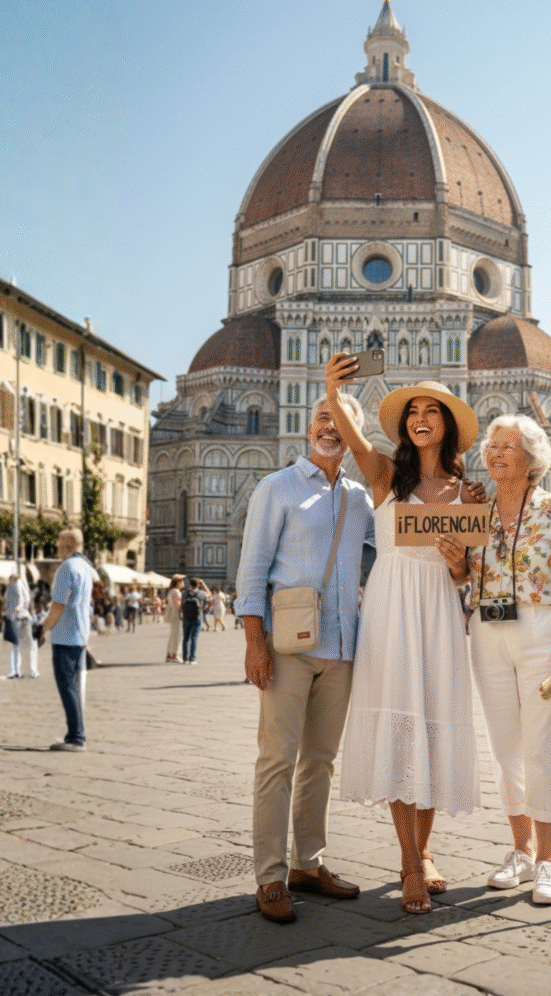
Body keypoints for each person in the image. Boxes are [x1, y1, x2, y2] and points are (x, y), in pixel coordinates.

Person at [326, 356, 485, 916]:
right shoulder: (386, 477)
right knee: (399, 726)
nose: (420, 418)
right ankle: (413, 865)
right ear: (404, 426)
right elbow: (350, 437)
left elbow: (469, 574)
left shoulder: (468, 491)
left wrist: (460, 566)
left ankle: (422, 850)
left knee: (435, 730)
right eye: (412, 411)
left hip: (440, 610)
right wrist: (332, 391)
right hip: (392, 609)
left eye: (430, 411)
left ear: (446, 424)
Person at [441, 414, 551, 906]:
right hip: (487, 630)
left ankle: (548, 862)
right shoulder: (476, 510)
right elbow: (464, 577)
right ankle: (521, 851)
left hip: (542, 628)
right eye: (492, 445)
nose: (496, 453)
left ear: (532, 458)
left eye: (507, 446)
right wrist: (455, 559)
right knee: (505, 747)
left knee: (545, 746)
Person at [236, 391, 374, 925]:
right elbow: (253, 568)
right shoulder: (278, 488)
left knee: (320, 761)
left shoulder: (360, 499)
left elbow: (384, 553)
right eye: (323, 417)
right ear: (306, 428)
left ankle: (307, 864)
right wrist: (254, 642)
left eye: (341, 420)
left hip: (340, 647)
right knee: (277, 760)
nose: (331, 427)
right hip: (288, 645)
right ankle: (270, 876)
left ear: (355, 435)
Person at [38, 528, 97, 752]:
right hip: (80, 633)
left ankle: (76, 737)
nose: (58, 549)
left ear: (66, 546)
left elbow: (59, 605)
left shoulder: (66, 569)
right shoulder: (86, 567)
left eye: (59, 545)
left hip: (65, 635)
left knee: (67, 687)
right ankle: (77, 734)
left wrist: (43, 629)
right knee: (73, 686)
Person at [4, 573, 36, 677]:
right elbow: (27, 600)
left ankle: (16, 671)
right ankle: (33, 671)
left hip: (16, 618)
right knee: (31, 645)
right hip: (25, 617)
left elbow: (12, 600)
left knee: (15, 646)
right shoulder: (23, 585)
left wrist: (16, 610)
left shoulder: (12, 586)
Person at [180, 577, 210, 664]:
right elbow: (209, 595)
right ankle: (192, 659)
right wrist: (203, 585)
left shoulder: (184, 593)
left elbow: (181, 602)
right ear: (198, 585)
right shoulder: (201, 593)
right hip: (197, 618)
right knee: (194, 638)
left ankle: (185, 659)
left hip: (186, 617)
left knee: (186, 638)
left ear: (190, 584)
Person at [165, 574, 183, 662]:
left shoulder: (171, 591)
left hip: (172, 613)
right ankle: (175, 655)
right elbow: (178, 604)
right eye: (182, 581)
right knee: (177, 635)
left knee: (172, 634)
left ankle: (169, 654)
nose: (183, 583)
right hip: (176, 614)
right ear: (178, 583)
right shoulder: (176, 591)